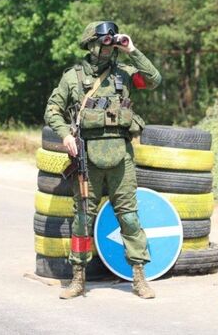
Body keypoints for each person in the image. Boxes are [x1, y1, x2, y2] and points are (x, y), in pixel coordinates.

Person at [44, 21, 162, 299]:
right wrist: (65, 135)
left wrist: (132, 49)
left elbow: (154, 79)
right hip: (87, 156)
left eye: (112, 42)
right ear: (91, 45)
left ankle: (139, 276)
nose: (109, 47)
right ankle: (78, 278)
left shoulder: (125, 73)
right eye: (104, 42)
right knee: (82, 219)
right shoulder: (72, 78)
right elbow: (52, 110)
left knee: (129, 217)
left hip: (121, 155)